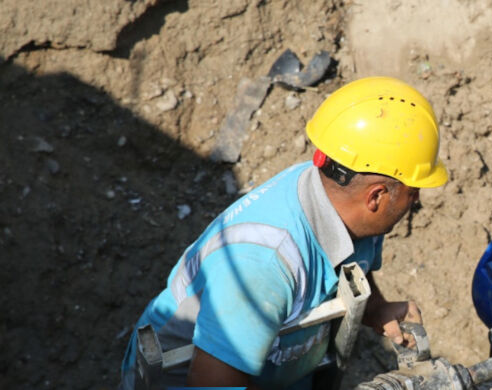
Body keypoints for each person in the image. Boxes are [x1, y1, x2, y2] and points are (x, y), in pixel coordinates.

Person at [118, 77, 449, 389]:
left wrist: (376, 308)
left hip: (273, 362)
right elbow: (213, 383)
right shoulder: (264, 264)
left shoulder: (343, 201)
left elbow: (352, 260)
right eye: (413, 189)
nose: (417, 199)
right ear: (376, 196)